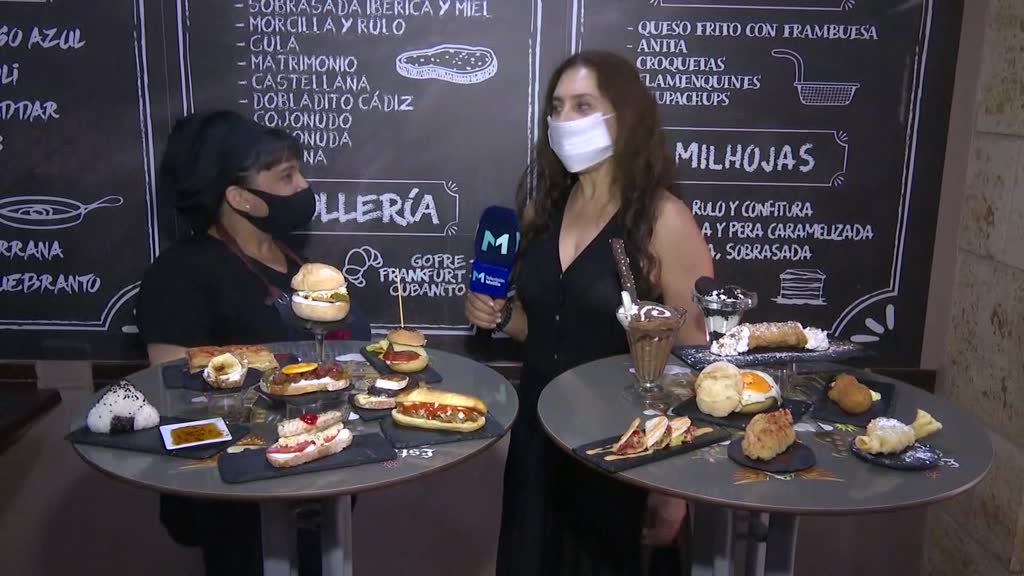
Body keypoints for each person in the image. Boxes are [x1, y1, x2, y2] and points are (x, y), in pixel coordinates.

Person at [464, 51, 714, 575]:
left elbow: (697, 358)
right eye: (557, 107)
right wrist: (502, 317)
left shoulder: (664, 220)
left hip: (623, 450)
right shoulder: (544, 210)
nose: (565, 119)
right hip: (537, 447)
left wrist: (676, 489)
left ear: (626, 116)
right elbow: (551, 328)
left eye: (583, 105)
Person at [135, 109, 370, 575]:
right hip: (240, 503)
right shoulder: (179, 276)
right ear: (240, 197)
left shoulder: (298, 266)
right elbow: (175, 398)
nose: (303, 186)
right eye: (286, 176)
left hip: (319, 483)